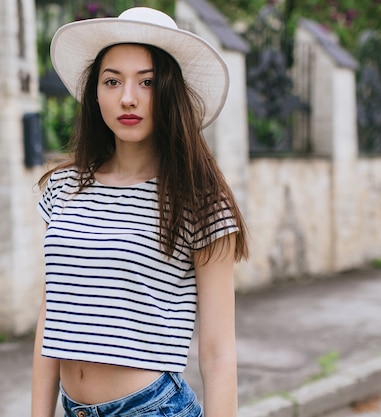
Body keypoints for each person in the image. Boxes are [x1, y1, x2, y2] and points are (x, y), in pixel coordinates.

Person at [32, 7, 248, 417]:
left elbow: (219, 353)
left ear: (170, 92)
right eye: (112, 81)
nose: (127, 97)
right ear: (95, 93)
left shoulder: (198, 199)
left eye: (147, 82)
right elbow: (52, 315)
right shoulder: (64, 188)